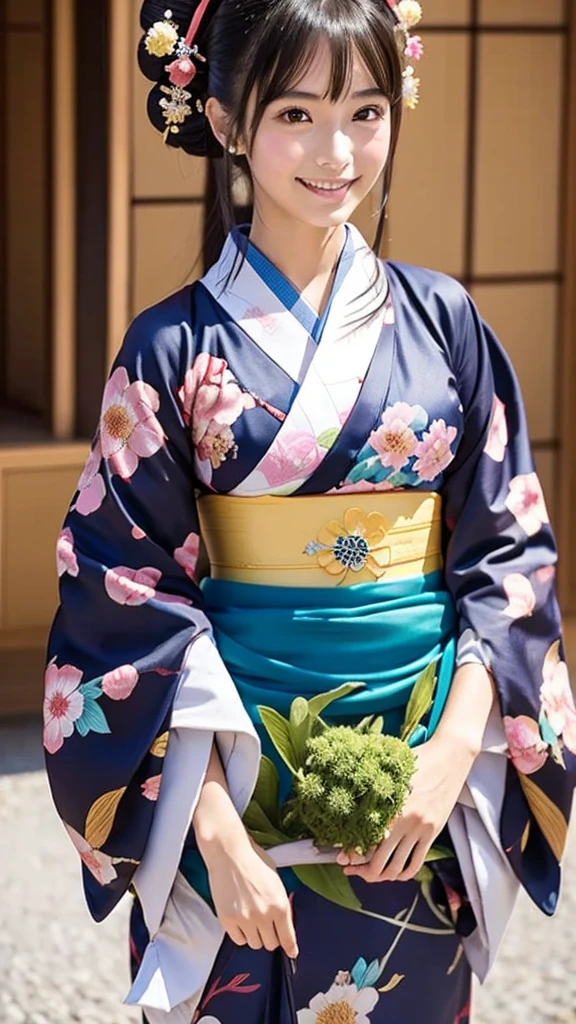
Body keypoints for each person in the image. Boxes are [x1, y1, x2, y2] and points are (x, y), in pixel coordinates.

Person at [44, 1, 575, 1021]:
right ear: (231, 121)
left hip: (420, 801)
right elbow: (121, 599)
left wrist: (451, 756)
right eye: (297, 113)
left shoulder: (447, 324)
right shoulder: (169, 353)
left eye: (366, 111)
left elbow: (510, 561)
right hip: (229, 790)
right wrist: (210, 829)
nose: (338, 153)